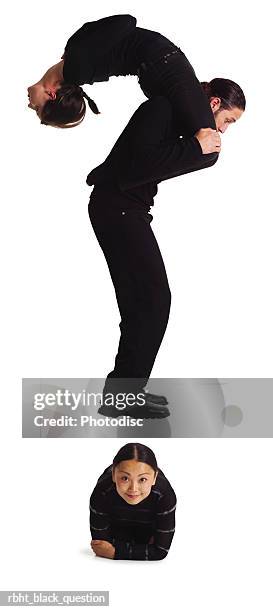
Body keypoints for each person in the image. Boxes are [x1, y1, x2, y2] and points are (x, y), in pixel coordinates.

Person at [87, 90, 244, 419]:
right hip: (116, 207)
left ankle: (123, 394)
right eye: (228, 120)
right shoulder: (161, 107)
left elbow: (191, 159)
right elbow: (137, 167)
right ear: (214, 103)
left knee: (142, 303)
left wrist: (198, 149)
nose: (226, 129)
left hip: (127, 209)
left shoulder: (179, 122)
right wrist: (195, 148)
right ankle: (122, 396)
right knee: (154, 299)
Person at [27, 13, 245, 151]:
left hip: (163, 63)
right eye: (36, 107)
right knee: (197, 140)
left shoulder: (76, 66)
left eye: (36, 108)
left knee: (208, 144)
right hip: (163, 66)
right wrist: (80, 43)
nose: (30, 104)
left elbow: (127, 22)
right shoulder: (74, 65)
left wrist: (81, 43)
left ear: (51, 93)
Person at [90, 442, 176, 561]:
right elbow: (100, 546)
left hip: (145, 530)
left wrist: (115, 552)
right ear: (114, 475)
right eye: (125, 478)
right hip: (117, 528)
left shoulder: (164, 495)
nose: (133, 489)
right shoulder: (102, 492)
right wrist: (143, 549)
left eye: (142, 479)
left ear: (154, 478)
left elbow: (160, 551)